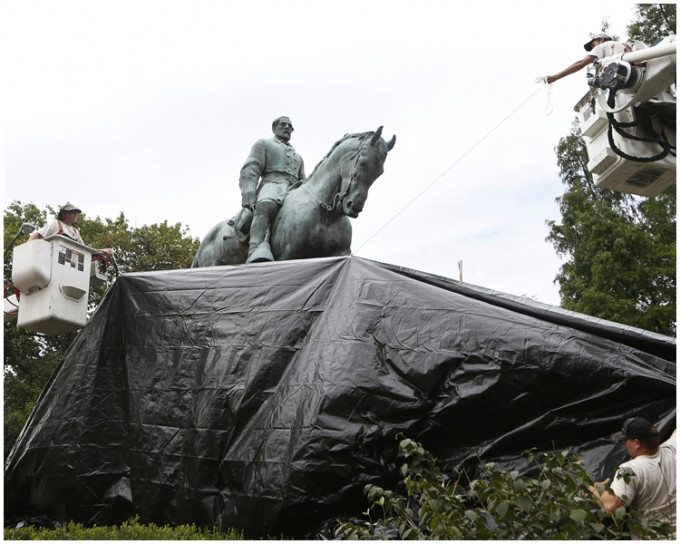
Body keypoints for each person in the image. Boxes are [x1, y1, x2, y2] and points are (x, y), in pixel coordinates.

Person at [589, 417, 676, 537]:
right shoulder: (673, 449)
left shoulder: (630, 470)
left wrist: (593, 488)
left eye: (625, 440)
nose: (624, 444)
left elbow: (611, 507)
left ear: (637, 443)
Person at [239, 116, 305, 263]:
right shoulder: (264, 144)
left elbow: (303, 179)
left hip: (293, 189)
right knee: (266, 205)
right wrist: (248, 192)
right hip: (271, 183)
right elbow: (251, 168)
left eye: (290, 126)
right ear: (274, 128)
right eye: (283, 124)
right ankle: (254, 249)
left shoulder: (298, 157)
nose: (287, 127)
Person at [545, 33, 632, 84]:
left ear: (601, 39)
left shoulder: (602, 46)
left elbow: (580, 63)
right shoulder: (622, 45)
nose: (594, 48)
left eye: (593, 45)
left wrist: (555, 77)